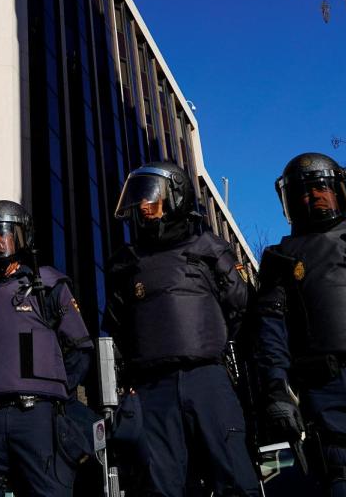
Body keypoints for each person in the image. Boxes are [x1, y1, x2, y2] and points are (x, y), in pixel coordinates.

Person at [105, 161, 259, 496]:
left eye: (152, 198)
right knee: (159, 484)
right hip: (151, 386)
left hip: (206, 377)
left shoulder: (208, 247)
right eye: (140, 199)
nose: (144, 206)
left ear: (175, 197)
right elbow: (117, 325)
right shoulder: (126, 262)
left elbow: (241, 308)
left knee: (232, 473)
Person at [256, 152, 346, 495]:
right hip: (325, 381)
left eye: (322, 187)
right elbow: (270, 331)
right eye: (305, 191)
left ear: (340, 191)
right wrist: (276, 388)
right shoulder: (281, 260)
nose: (315, 196)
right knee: (343, 479)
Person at [0, 200, 94, 496]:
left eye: (4, 232)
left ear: (21, 236)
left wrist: (56, 397)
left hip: (35, 415)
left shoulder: (47, 285)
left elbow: (80, 348)